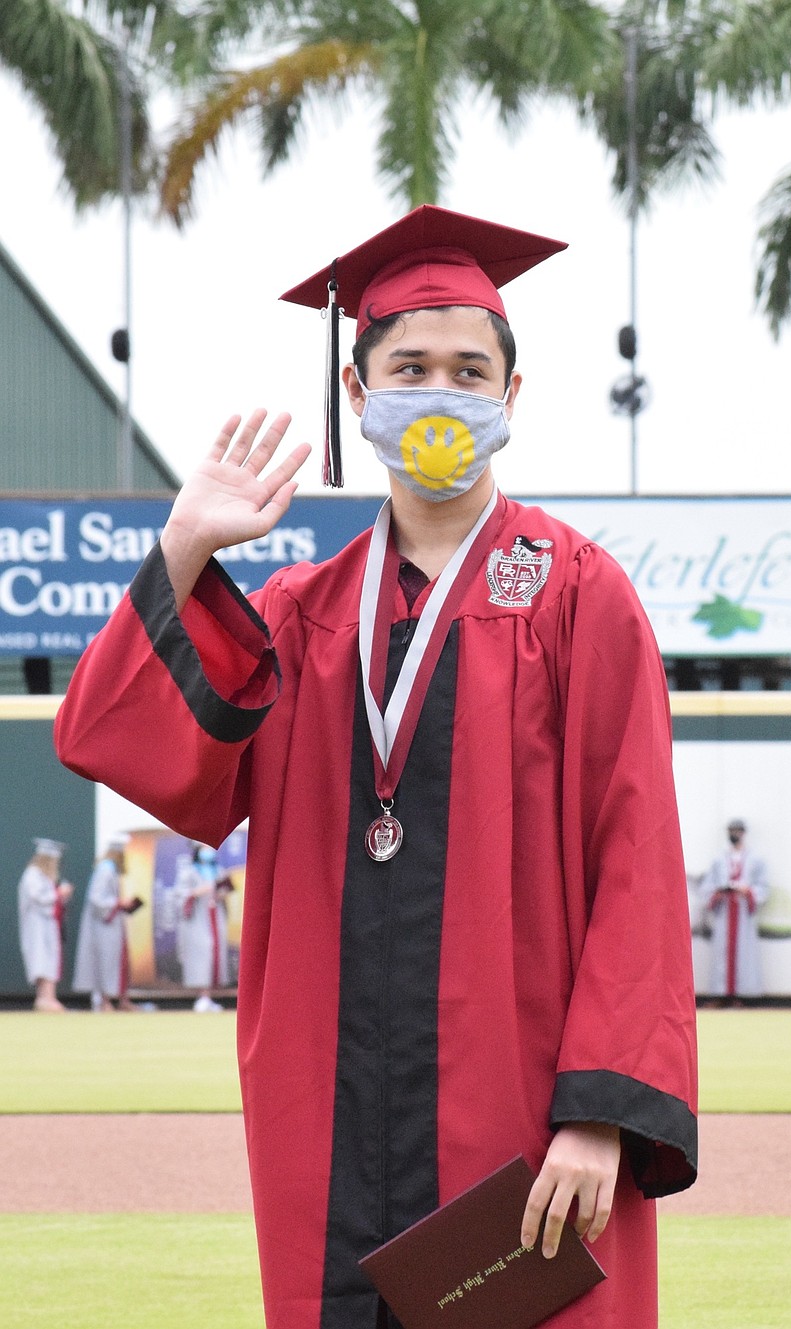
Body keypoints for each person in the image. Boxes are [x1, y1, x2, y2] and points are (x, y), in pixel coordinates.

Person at [55, 205, 698, 1329]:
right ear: (358, 397)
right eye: (408, 366)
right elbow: (119, 739)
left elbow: (636, 859)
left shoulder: (576, 596)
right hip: (329, 1104)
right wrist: (185, 548)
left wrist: (601, 1112)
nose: (438, 393)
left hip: (522, 1110)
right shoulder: (301, 618)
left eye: (467, 369)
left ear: (509, 395)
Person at [700, 818, 770, 1005]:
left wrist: (748, 891)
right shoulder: (719, 859)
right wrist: (718, 891)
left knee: (744, 954)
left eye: (738, 830)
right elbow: (708, 886)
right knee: (721, 954)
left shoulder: (755, 860)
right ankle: (721, 994)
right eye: (732, 830)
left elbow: (763, 887)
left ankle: (740, 995)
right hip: (724, 913)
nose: (734, 834)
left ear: (743, 833)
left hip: (743, 913)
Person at [72, 834, 142, 1011]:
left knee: (116, 961)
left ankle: (120, 999)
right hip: (103, 927)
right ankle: (104, 1000)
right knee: (105, 961)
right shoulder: (106, 869)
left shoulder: (110, 869)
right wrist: (118, 903)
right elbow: (96, 898)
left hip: (111, 925)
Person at [173, 842, 232, 1011]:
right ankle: (202, 995)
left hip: (214, 916)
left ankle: (209, 996)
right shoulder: (189, 872)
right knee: (201, 954)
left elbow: (221, 891)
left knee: (215, 953)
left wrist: (222, 893)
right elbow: (180, 895)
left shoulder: (218, 871)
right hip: (197, 920)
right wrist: (197, 892)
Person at [17, 838, 74, 1012]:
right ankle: (44, 998)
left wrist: (60, 895)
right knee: (41, 958)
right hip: (37, 926)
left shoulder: (44, 877)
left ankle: (48, 997)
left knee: (49, 959)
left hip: (49, 925)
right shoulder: (32, 874)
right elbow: (38, 898)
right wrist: (58, 894)